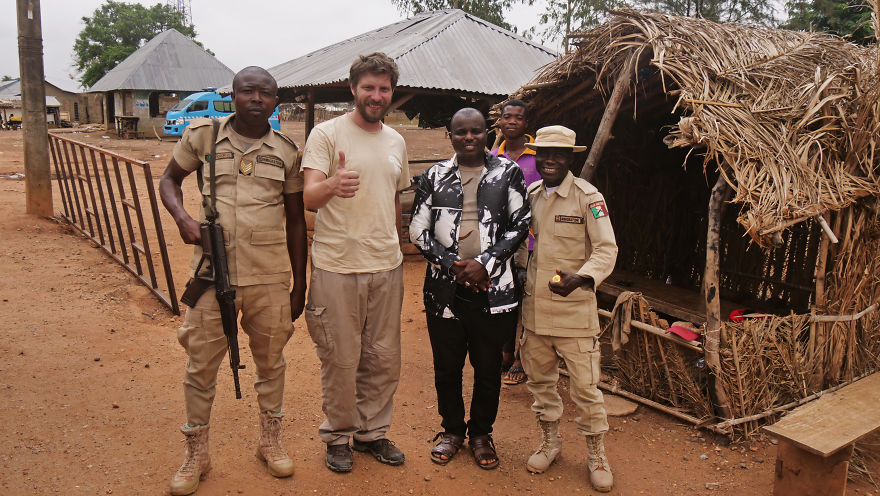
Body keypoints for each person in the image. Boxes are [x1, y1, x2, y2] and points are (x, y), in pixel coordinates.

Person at [158, 66, 307, 495]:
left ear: (276, 101)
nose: (256, 99)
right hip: (210, 275)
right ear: (233, 97)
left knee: (271, 362)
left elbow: (296, 222)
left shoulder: (286, 150)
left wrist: (300, 284)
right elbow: (168, 179)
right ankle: (196, 453)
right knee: (200, 364)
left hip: (269, 276)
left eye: (266, 93)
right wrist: (183, 218)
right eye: (248, 91)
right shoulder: (203, 136)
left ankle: (270, 441)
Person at [300, 52, 410, 473]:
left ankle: (372, 433)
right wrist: (332, 184)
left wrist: (396, 243)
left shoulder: (396, 140)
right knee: (341, 357)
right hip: (337, 266)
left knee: (382, 357)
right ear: (353, 89)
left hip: (386, 265)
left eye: (384, 89)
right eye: (369, 87)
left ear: (391, 93)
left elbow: (395, 199)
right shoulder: (326, 134)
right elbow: (308, 197)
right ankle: (339, 435)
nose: (376, 95)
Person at [409, 107, 531, 470]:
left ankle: (480, 433)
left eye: (476, 131)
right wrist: (451, 264)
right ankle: (451, 431)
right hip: (444, 291)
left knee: (489, 366)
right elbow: (418, 229)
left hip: (495, 291)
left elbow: (520, 224)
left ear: (485, 133)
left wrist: (485, 264)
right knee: (446, 366)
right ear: (451, 135)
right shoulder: (435, 175)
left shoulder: (506, 172)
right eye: (460, 132)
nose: (469, 138)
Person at [516, 125, 618, 492]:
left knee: (586, 390)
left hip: (575, 313)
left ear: (571, 157)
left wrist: (583, 277)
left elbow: (607, 249)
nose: (550, 160)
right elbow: (522, 246)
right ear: (536, 156)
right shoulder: (532, 195)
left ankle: (596, 455)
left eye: (559, 154)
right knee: (541, 383)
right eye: (544, 153)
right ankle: (551, 442)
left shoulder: (588, 198)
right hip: (536, 311)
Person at [491, 99, 538, 386]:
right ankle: (506, 352)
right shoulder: (492, 157)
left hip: (531, 242)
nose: (511, 122)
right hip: (499, 242)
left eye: (517, 118)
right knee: (504, 297)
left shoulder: (538, 156)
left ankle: (522, 357)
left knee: (527, 300)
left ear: (526, 123)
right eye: (506, 117)